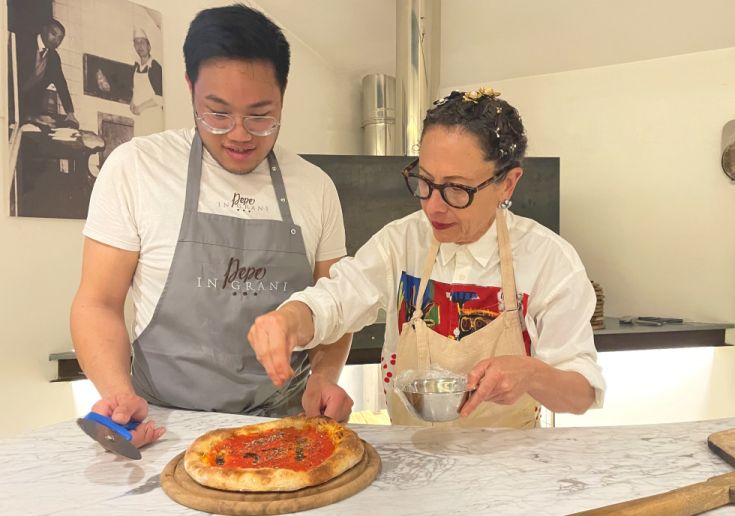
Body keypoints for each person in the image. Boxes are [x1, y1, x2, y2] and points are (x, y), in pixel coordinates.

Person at [70, 5, 353, 447]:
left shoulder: (315, 187)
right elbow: (98, 303)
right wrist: (118, 394)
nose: (239, 135)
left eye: (261, 116)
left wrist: (324, 378)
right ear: (190, 89)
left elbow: (339, 304)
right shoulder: (136, 168)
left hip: (283, 429)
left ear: (283, 94)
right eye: (217, 114)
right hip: (163, 428)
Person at [248, 87, 606, 428]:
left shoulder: (549, 260)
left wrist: (532, 373)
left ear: (507, 184)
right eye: (425, 182)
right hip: (411, 458)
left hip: (509, 467)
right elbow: (337, 298)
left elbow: (582, 394)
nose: (433, 206)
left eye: (456, 189)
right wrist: (289, 319)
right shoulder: (401, 241)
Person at [15, 19, 78, 127]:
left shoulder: (54, 58)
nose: (56, 41)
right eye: (53, 34)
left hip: (29, 111)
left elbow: (61, 85)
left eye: (60, 38)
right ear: (44, 30)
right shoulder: (22, 42)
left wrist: (70, 112)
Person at [129, 27, 163, 135]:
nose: (140, 46)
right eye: (136, 43)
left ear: (149, 46)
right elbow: (136, 90)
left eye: (142, 42)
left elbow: (161, 97)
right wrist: (132, 102)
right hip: (140, 119)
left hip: (153, 118)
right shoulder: (136, 67)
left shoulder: (155, 67)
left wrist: (141, 107)